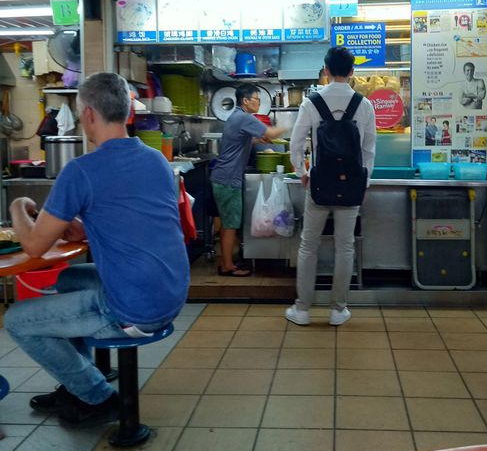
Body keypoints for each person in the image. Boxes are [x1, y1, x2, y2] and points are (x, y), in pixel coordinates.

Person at [4, 72, 189, 424]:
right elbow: (123, 220)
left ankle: (95, 394)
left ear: (88, 113)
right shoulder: (156, 161)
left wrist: (19, 205)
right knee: (70, 278)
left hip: (131, 309)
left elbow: (33, 245)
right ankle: (75, 379)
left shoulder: (82, 170)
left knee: (17, 321)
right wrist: (80, 227)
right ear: (127, 112)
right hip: (171, 295)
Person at [285, 47, 376, 327]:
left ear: (325, 70)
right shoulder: (364, 104)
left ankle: (302, 309)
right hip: (351, 186)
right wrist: (363, 182)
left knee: (308, 245)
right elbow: (368, 150)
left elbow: (296, 144)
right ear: (352, 72)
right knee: (345, 246)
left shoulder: (312, 102)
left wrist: (302, 172)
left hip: (319, 184)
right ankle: (338, 310)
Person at [210, 83, 285, 277]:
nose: (259, 102)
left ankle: (227, 261)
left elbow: (240, 139)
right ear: (245, 101)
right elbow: (271, 133)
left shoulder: (237, 116)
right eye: (256, 99)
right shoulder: (243, 117)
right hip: (228, 178)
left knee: (230, 223)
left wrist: (255, 140)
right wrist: (296, 124)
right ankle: (227, 266)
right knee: (230, 224)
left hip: (224, 176)